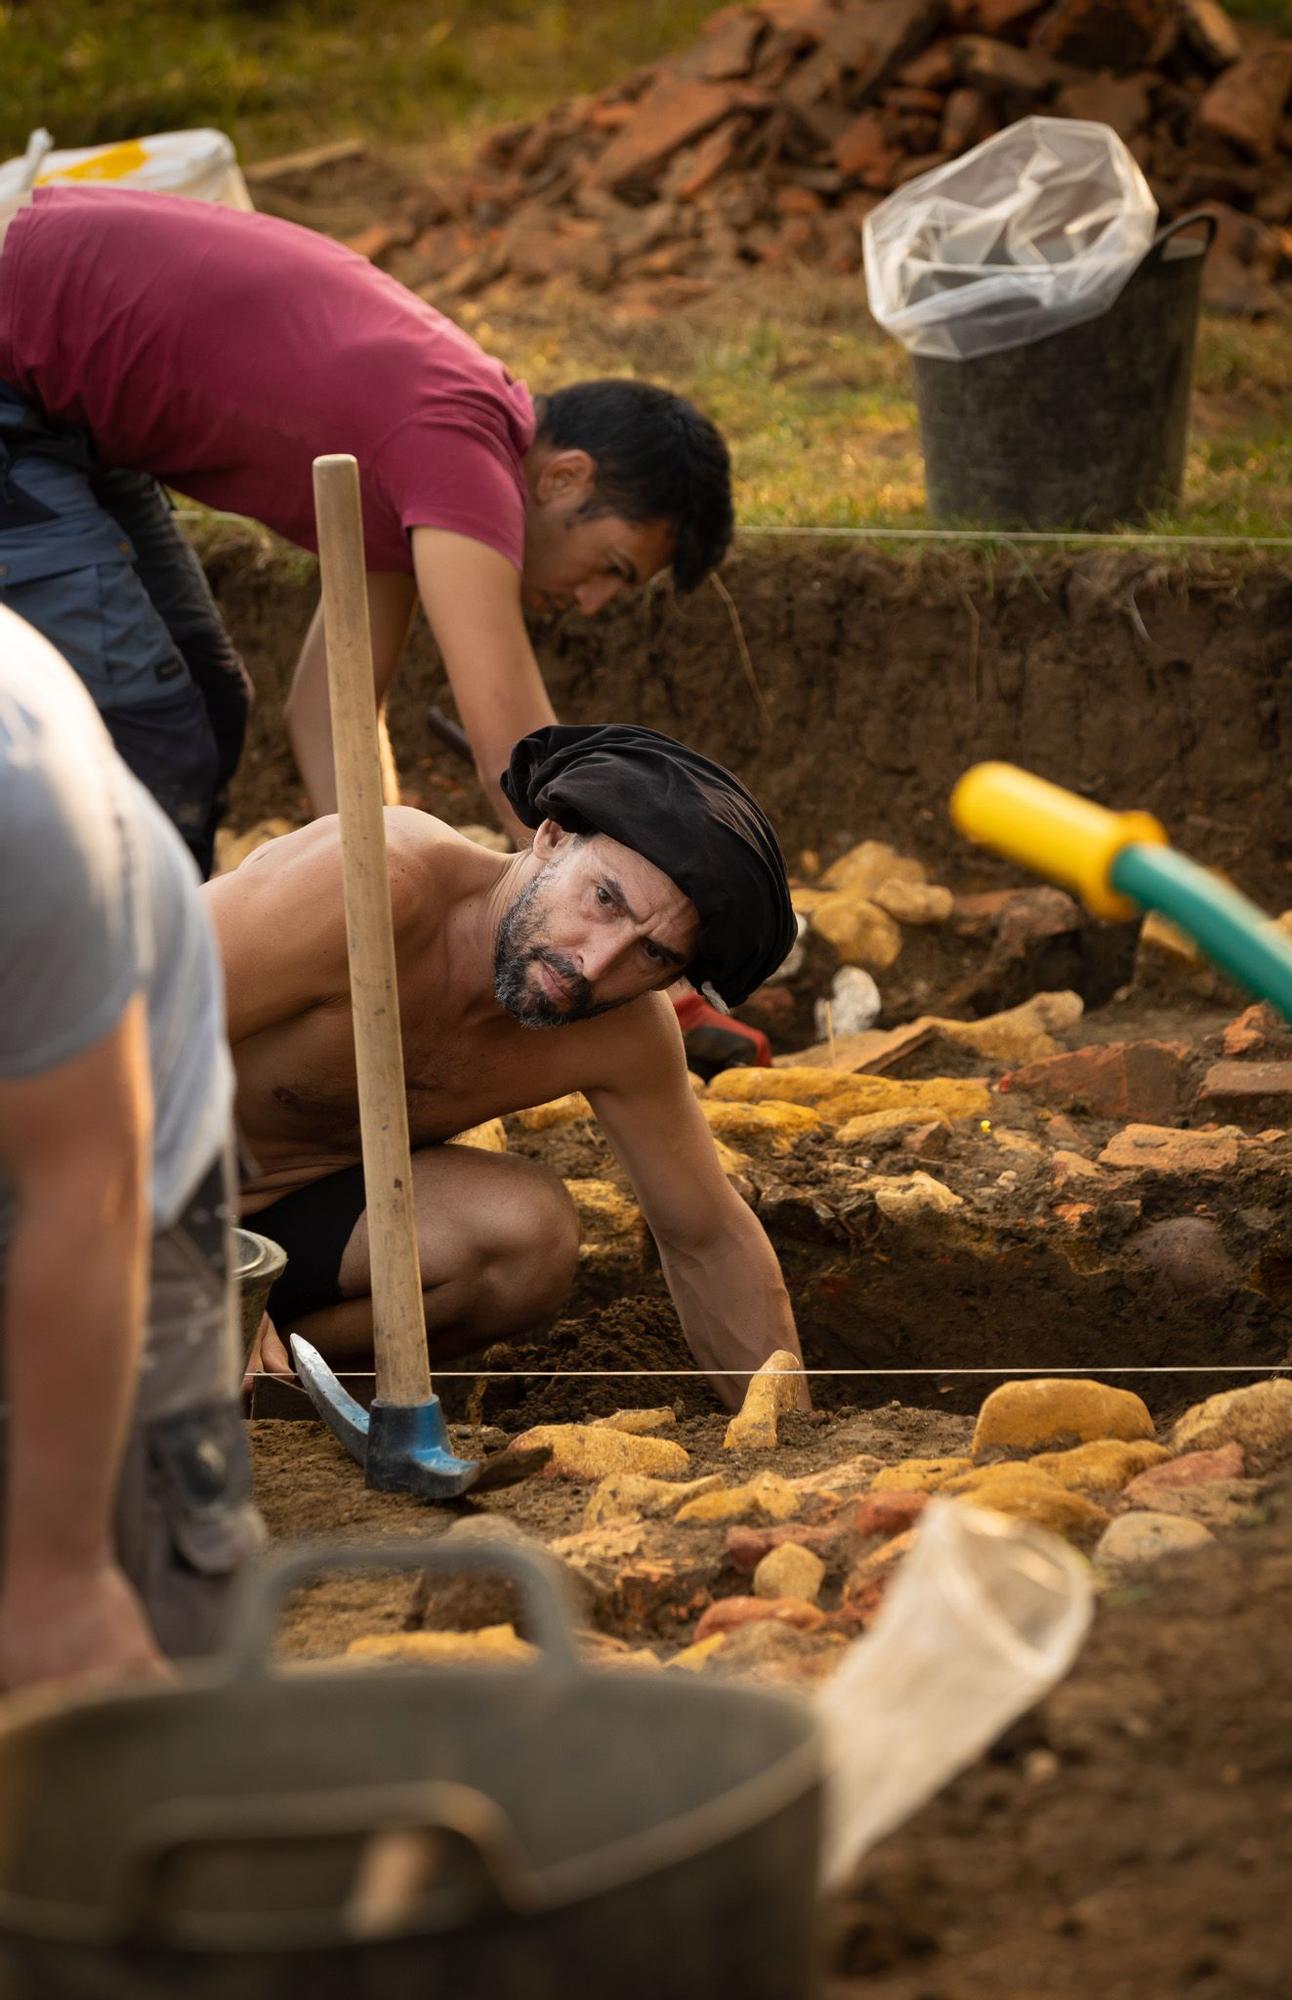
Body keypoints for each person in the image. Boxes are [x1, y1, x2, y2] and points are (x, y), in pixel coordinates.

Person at [0, 185, 733, 878]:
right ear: (564, 476)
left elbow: (330, 714)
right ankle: (113, 995)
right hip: (15, 367)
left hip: (64, 408)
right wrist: (607, 920)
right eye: (612, 565)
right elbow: (514, 747)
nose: (593, 601)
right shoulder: (463, 456)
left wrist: (378, 897)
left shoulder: (429, 467)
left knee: (206, 698)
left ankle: (174, 972)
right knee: (150, 730)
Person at [206, 724, 805, 1409]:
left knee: (525, 1238)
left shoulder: (619, 1030)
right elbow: (94, 1031)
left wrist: (784, 1436)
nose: (595, 963)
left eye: (653, 955)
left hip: (283, 1238)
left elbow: (706, 1239)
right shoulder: (374, 880)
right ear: (550, 838)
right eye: (605, 899)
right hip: (111, 1183)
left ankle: (267, 1387)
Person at [0, 604, 261, 1693]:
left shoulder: (22, 807)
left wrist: (56, 1575)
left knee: (128, 1667)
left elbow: (85, 1185)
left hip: (98, 1177)